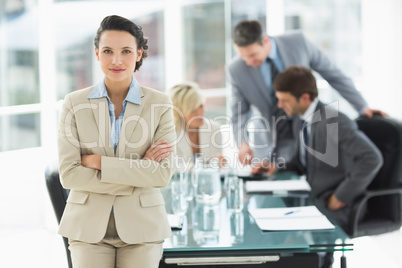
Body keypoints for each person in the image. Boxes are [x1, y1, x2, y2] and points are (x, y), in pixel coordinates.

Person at [57, 15, 175, 268]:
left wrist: (99, 162)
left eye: (126, 51)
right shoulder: (73, 103)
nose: (117, 60)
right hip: (87, 228)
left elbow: (162, 175)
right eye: (108, 51)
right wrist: (138, 172)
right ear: (97, 53)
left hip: (143, 228)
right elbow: (69, 175)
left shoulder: (160, 103)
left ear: (139, 54)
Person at [227, 20, 385, 170]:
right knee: (272, 186)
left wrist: (362, 106)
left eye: (252, 55)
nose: (247, 61)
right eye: (243, 56)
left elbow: (333, 75)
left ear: (266, 41)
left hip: (308, 128)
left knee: (316, 180)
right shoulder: (236, 69)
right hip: (270, 139)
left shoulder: (299, 43)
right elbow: (239, 113)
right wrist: (242, 143)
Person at [254, 65, 383, 231]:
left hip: (338, 205)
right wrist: (275, 166)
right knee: (267, 219)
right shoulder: (299, 119)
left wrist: (340, 196)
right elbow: (304, 162)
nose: (280, 105)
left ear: (305, 97)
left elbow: (372, 158)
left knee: (283, 234)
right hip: (314, 198)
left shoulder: (334, 122)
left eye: (284, 100)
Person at [168, 82, 225, 167]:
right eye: (193, 110)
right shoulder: (170, 134)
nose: (199, 112)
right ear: (179, 112)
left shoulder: (214, 129)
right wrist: (204, 167)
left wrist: (220, 162)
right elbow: (171, 168)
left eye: (200, 106)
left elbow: (218, 167)